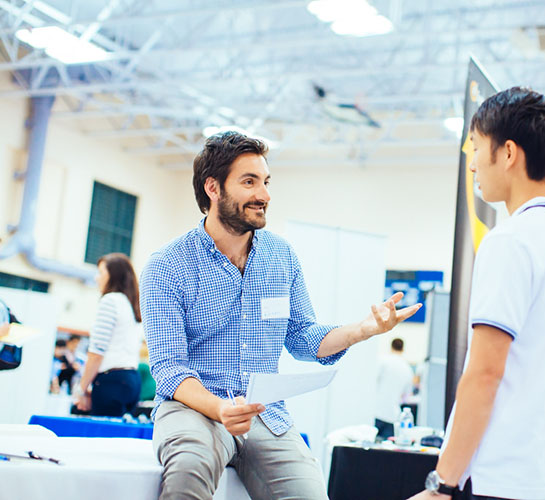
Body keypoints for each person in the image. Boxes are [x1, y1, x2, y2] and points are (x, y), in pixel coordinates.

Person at [139, 131, 421, 500]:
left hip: (263, 413)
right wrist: (221, 408)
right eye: (249, 182)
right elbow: (169, 369)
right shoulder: (167, 266)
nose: (264, 195)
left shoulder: (281, 256)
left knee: (310, 493)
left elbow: (303, 338)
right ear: (213, 188)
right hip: (195, 409)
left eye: (266, 182)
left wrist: (362, 330)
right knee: (188, 469)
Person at [409, 87, 545, 500]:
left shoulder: (510, 241)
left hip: (500, 475)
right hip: (543, 476)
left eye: (477, 148)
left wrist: (442, 483)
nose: (473, 164)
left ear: (508, 153)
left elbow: (485, 373)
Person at [73, 253, 142, 417]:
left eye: (101, 273)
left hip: (112, 381)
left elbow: (97, 351)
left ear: (114, 276)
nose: (97, 278)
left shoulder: (110, 301)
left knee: (102, 439)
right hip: (132, 380)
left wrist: (81, 389)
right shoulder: (131, 304)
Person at [374, 337, 414, 439]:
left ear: (391, 346)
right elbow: (406, 396)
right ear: (403, 349)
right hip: (393, 416)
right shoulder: (408, 369)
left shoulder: (383, 361)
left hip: (376, 411)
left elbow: (372, 382)